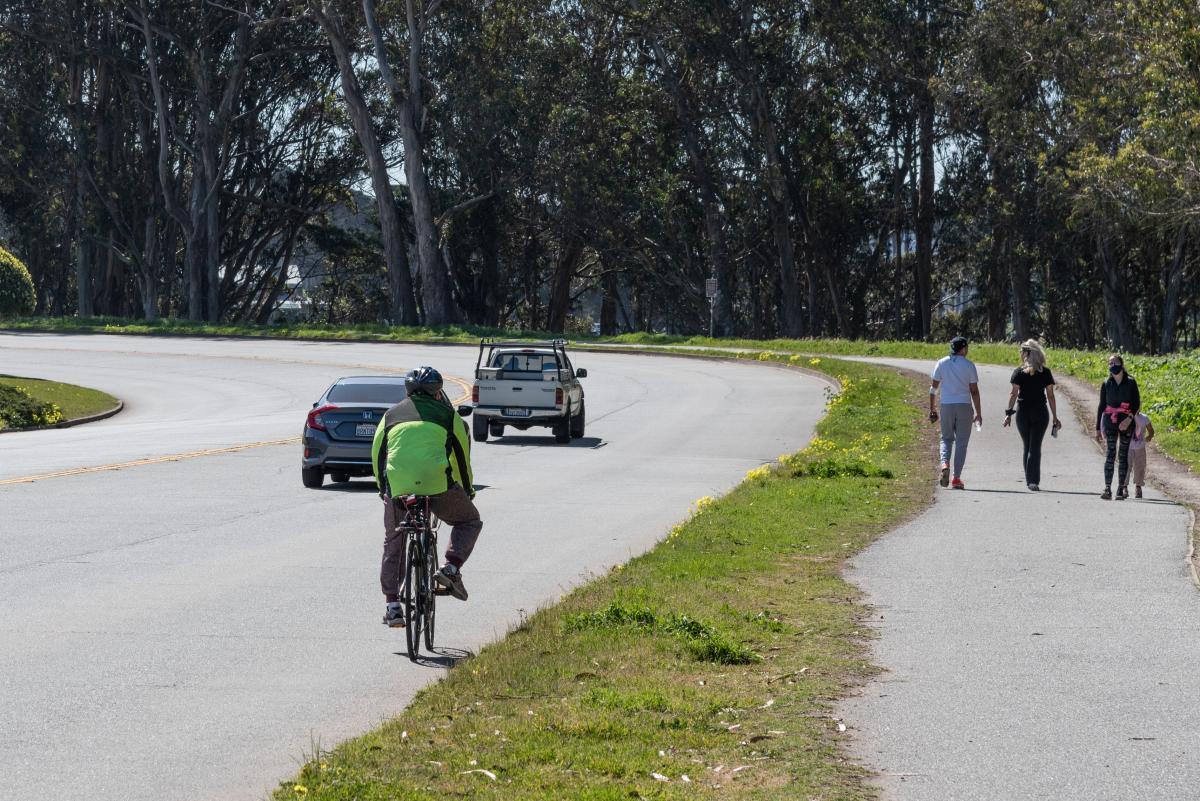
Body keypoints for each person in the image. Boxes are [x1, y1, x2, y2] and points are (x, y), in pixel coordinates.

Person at [371, 366, 481, 626]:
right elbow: (462, 461)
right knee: (470, 521)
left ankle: (393, 604)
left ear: (407, 391)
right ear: (438, 391)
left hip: (399, 487)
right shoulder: (448, 416)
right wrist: (467, 491)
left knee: (393, 539)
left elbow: (377, 455)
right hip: (437, 484)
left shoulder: (390, 415)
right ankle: (450, 569)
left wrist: (383, 489)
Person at [1001, 339, 1061, 491]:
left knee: (1027, 446)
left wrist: (1008, 413)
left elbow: (1013, 393)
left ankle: (1030, 480)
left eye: (1022, 351)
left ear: (1027, 353)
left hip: (1023, 412)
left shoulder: (1019, 372)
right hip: (1040, 412)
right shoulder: (1045, 372)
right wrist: (1055, 416)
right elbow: (1050, 395)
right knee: (1035, 446)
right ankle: (1033, 481)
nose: (1020, 354)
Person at [930, 335, 983, 489]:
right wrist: (978, 413)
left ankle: (945, 464)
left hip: (946, 405)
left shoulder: (941, 363)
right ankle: (956, 479)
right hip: (964, 406)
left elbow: (933, 389)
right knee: (961, 443)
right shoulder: (969, 365)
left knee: (946, 439)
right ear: (963, 348)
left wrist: (932, 409)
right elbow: (974, 391)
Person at [1095, 354, 1141, 500]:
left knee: (1123, 455)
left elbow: (1136, 404)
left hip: (1126, 422)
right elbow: (1102, 405)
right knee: (1110, 454)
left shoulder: (1131, 382)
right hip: (1110, 421)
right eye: (1109, 363)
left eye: (1114, 362)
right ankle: (1107, 488)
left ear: (1121, 364)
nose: (1112, 365)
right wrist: (1097, 427)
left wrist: (1129, 419)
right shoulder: (1106, 383)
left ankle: (1121, 488)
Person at [1129, 410, 1154, 499]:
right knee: (1126, 467)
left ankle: (1138, 487)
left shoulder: (1144, 418)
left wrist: (1149, 436)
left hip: (1140, 447)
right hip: (1128, 447)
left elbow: (1151, 430)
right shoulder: (1126, 416)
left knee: (1139, 467)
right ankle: (1123, 487)